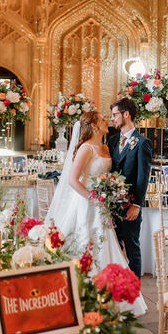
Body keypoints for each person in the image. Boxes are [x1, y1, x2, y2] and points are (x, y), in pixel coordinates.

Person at [44, 110, 146, 315]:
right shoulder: (86, 148)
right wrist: (94, 197)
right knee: (86, 244)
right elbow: (73, 180)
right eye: (101, 119)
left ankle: (111, 297)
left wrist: (109, 192)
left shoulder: (106, 147)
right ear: (93, 126)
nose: (106, 120)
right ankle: (82, 296)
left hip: (102, 206)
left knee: (107, 245)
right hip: (86, 204)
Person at [108, 98, 152, 278]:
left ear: (126, 114)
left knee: (132, 247)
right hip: (111, 205)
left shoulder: (142, 143)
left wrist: (137, 205)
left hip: (130, 206)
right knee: (114, 246)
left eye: (115, 115)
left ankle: (135, 292)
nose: (112, 119)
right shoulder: (111, 141)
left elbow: (144, 176)